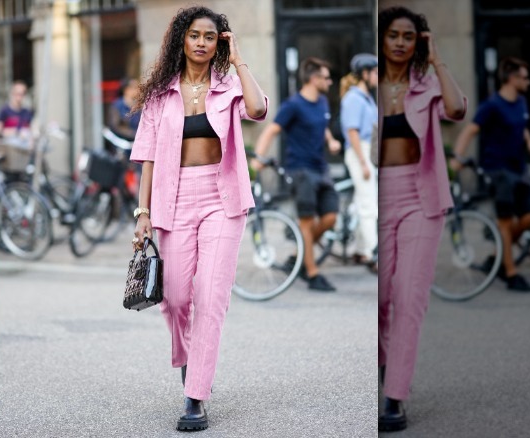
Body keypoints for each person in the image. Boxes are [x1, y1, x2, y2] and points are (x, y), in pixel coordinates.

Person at [129, 6, 267, 431]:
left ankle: (196, 397)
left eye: (210, 36)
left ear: (219, 42)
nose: (202, 42)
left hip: (222, 199)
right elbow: (148, 159)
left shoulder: (228, 85)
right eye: (194, 35)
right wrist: (143, 212)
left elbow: (258, 109)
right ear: (182, 39)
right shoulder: (160, 94)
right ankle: (191, 359)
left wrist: (239, 60)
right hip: (172, 199)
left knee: (209, 296)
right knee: (173, 298)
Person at [378, 6, 467, 432]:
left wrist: (437, 61)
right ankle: (385, 361)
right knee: (380, 296)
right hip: (380, 195)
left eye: (409, 36)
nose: (400, 42)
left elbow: (457, 109)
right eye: (393, 34)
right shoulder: (372, 87)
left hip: (421, 195)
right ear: (382, 38)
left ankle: (395, 395)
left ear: (419, 43)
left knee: (408, 296)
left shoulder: (427, 83)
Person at [251, 57, 342, 291]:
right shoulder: (293, 105)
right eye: (326, 77)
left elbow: (322, 127)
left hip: (321, 168)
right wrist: (258, 159)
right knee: (306, 222)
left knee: (330, 218)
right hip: (300, 170)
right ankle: (311, 273)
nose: (330, 82)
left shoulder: (322, 102)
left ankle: (298, 253)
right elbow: (271, 130)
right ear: (314, 79)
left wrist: (331, 140)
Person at [452, 57, 530, 291]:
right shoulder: (491, 105)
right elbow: (470, 130)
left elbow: (522, 126)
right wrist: (457, 159)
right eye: (524, 77)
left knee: (529, 218)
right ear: (512, 78)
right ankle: (510, 273)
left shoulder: (521, 102)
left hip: (519, 169)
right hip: (497, 170)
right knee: (505, 221)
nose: (528, 82)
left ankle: (498, 255)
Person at [340, 53, 379, 272]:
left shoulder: (366, 97)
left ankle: (361, 249)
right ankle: (375, 254)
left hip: (366, 150)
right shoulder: (354, 98)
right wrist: (363, 162)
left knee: (362, 200)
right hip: (359, 152)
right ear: (365, 73)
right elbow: (352, 131)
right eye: (375, 72)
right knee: (368, 205)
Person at [108, 77, 141, 141]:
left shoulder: (140, 105)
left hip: (137, 141)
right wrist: (133, 134)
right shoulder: (117, 105)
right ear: (126, 90)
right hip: (121, 142)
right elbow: (115, 126)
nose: (138, 90)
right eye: (134, 87)